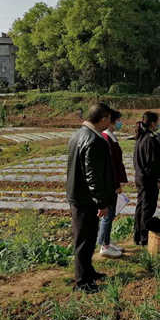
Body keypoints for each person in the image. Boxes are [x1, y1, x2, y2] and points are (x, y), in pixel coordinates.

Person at [67, 102, 117, 293]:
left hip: (80, 196)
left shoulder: (78, 134)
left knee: (87, 238)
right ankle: (82, 282)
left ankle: (88, 271)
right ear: (104, 119)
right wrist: (101, 202)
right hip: (85, 199)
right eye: (109, 120)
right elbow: (93, 176)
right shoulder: (93, 140)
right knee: (83, 241)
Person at [98, 109, 127, 258]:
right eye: (118, 119)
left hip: (112, 182)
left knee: (111, 214)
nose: (120, 122)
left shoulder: (111, 137)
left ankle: (107, 241)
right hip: (109, 184)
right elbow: (111, 166)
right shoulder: (105, 138)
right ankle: (104, 246)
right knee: (108, 215)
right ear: (111, 120)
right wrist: (116, 185)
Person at [133, 111, 160, 245]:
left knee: (140, 206)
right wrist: (159, 179)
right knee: (148, 208)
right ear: (152, 123)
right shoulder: (150, 140)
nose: (158, 125)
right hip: (148, 179)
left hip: (140, 177)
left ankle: (137, 235)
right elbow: (152, 163)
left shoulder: (140, 138)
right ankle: (144, 237)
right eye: (157, 122)